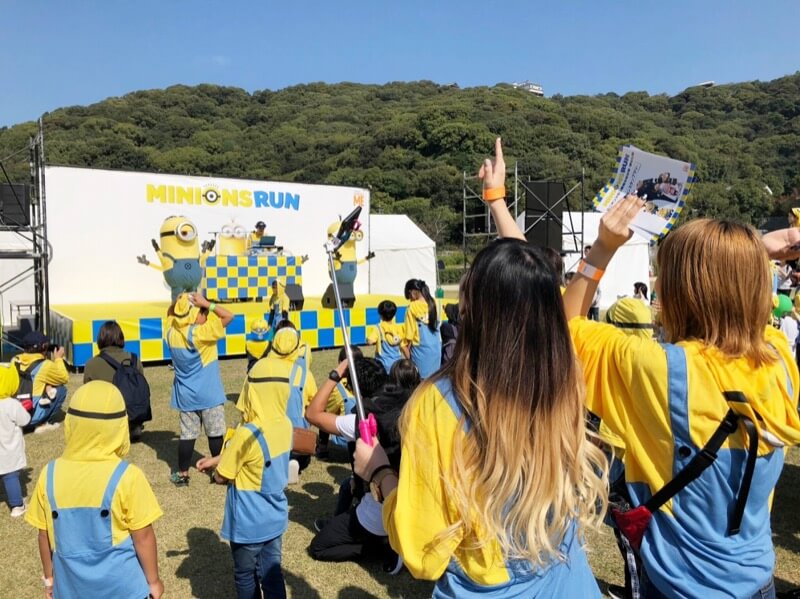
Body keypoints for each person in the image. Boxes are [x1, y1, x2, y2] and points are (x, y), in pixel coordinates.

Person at [482, 138, 798, 597]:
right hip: (758, 581)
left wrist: (602, 248)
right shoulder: (779, 357)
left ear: (680, 293)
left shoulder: (658, 369)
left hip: (678, 586)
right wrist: (749, 253)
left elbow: (560, 325)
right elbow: (742, 301)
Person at [354, 180, 607, 594]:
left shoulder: (439, 403)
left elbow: (423, 552)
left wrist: (380, 472)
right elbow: (529, 289)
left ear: (471, 308)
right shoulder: (566, 379)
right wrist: (497, 200)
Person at [25, 381, 164, 599]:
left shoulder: (48, 474)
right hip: (124, 590)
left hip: (70, 590)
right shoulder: (128, 476)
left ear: (72, 424)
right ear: (119, 426)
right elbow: (143, 537)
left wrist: (50, 579)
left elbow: (44, 536)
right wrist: (153, 581)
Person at [197, 360, 291, 599]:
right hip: (275, 517)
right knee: (271, 573)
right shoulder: (285, 424)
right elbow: (251, 456)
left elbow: (223, 475)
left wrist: (214, 471)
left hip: (248, 523)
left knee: (245, 574)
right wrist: (215, 459)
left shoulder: (246, 433)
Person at [307, 357, 409, 572]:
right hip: (411, 502)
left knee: (318, 547)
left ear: (355, 390)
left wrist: (336, 373)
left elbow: (313, 414)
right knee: (348, 485)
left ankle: (382, 547)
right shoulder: (410, 402)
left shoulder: (362, 419)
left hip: (380, 510)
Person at [164, 292, 233, 486]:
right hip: (210, 394)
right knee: (215, 433)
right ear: (194, 316)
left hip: (185, 395)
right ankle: (219, 471)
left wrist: (179, 302)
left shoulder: (170, 332)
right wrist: (208, 304)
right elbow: (229, 316)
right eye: (203, 312)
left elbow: (170, 314)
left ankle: (183, 474)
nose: (206, 315)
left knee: (187, 435)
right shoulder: (202, 333)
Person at [237, 321, 317, 485]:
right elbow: (313, 405)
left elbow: (244, 406)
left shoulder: (257, 368)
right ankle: (293, 460)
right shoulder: (303, 373)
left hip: (264, 433)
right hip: (295, 434)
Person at [83, 321, 152, 441]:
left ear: (100, 339)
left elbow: (87, 394)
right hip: (132, 414)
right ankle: (132, 427)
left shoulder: (91, 364)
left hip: (105, 418)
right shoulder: (134, 360)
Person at [13, 331, 69, 434]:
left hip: (14, 415)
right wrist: (58, 359)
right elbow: (64, 378)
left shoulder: (15, 360)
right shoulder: (45, 365)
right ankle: (43, 422)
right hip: (31, 418)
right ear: (44, 346)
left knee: (44, 383)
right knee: (61, 390)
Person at [0, 363, 29, 517]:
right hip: (8, 450)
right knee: (10, 476)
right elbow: (25, 420)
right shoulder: (11, 404)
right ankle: (17, 505)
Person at [401, 279, 441, 378]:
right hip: (436, 350)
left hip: (420, 353)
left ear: (411, 292)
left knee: (421, 382)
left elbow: (409, 335)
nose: (410, 300)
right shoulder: (434, 303)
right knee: (434, 381)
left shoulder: (412, 307)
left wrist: (405, 350)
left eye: (409, 297)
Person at [366, 300, 404, 375]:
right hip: (397, 363)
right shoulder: (398, 328)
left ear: (380, 314)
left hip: (383, 364)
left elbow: (370, 341)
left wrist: (367, 339)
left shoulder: (378, 328)